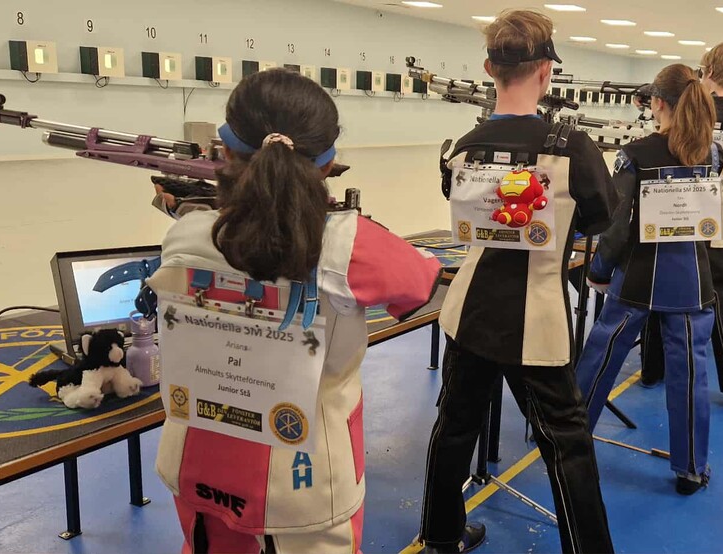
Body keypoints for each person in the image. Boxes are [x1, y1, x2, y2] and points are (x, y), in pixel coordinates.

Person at [146, 68, 443, 553]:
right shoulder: (349, 245)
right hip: (306, 483)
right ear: (327, 166)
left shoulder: (183, 234)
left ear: (225, 154)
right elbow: (420, 284)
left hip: (198, 461)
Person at [418, 10, 617, 553]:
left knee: (454, 426)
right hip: (538, 315)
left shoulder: (462, 147)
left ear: (489, 69)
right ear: (547, 72)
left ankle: (441, 536)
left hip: (471, 310)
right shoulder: (574, 146)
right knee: (567, 443)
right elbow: (601, 217)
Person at [577, 63, 719, 495]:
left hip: (640, 275)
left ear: (657, 103)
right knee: (691, 371)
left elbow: (617, 223)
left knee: (601, 355)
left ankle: (570, 441)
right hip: (691, 276)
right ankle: (691, 467)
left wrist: (599, 270)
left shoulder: (635, 154)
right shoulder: (711, 153)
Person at [638, 43, 723, 408]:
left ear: (707, 69)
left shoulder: (690, 103)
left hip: (668, 207)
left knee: (660, 282)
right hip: (719, 212)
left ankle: (652, 369)